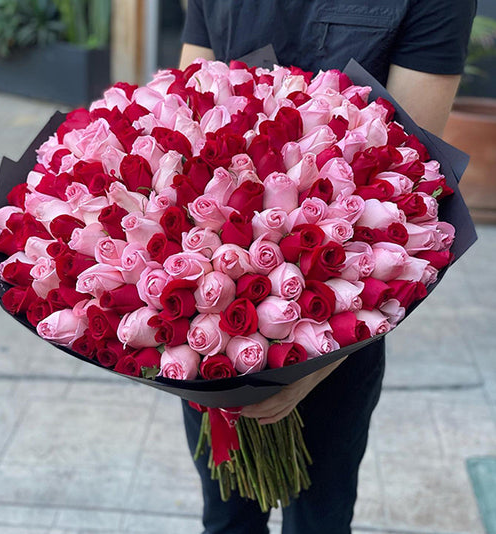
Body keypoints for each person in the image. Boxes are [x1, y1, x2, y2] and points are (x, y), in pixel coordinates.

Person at [178, 2, 477, 533]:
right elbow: (188, 106)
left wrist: (317, 362)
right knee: (225, 519)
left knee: (320, 519)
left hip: (341, 311)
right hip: (211, 303)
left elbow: (409, 176)